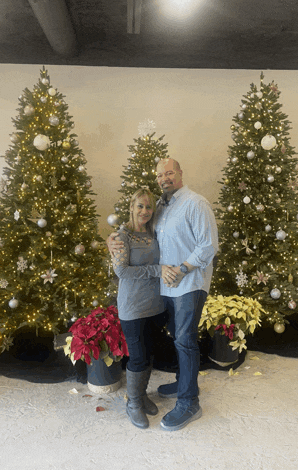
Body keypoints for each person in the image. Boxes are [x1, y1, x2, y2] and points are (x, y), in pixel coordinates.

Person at [108, 159, 218, 432]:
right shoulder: (161, 208)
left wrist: (181, 269)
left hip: (189, 283)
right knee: (178, 339)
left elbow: (208, 245)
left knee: (185, 341)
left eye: (169, 172)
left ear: (180, 174)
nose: (163, 178)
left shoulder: (195, 203)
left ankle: (190, 401)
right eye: (159, 175)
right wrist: (114, 238)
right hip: (164, 288)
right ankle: (183, 383)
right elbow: (137, 230)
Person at [110, 187, 177, 430]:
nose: (145, 211)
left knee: (148, 353)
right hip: (133, 307)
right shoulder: (121, 236)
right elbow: (122, 271)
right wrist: (156, 270)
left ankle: (142, 394)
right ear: (132, 207)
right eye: (141, 206)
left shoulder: (154, 233)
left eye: (149, 207)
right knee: (137, 357)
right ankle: (133, 403)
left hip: (155, 304)